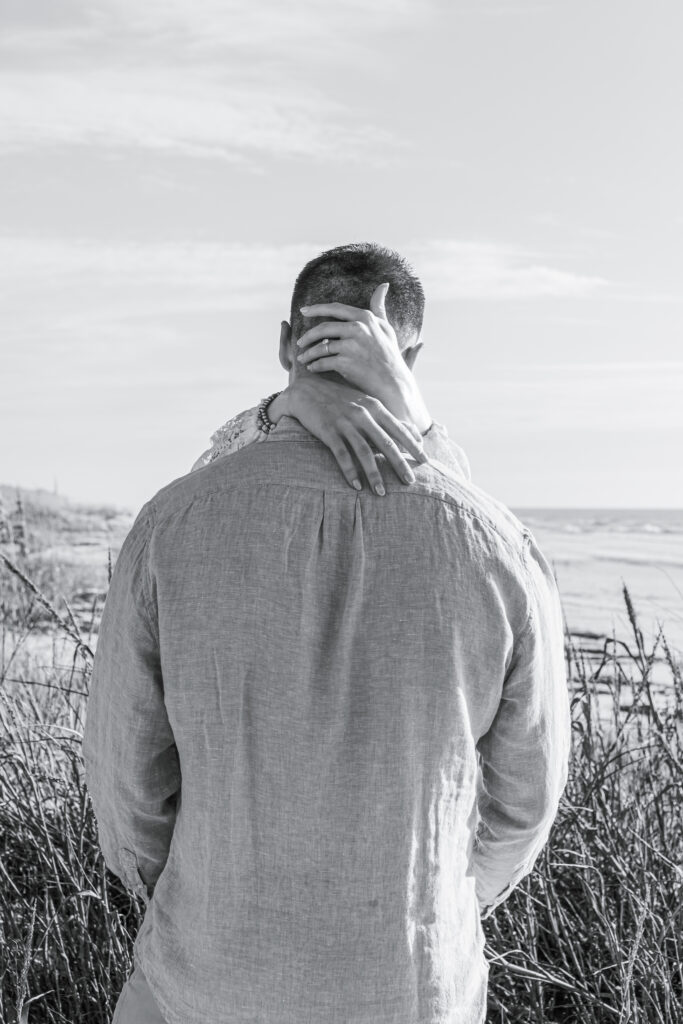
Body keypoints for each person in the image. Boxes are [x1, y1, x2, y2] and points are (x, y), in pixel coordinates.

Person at [83, 242, 572, 1024]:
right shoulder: (497, 545)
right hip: (412, 989)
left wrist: (188, 896)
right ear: (412, 355)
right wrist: (437, 904)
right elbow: (526, 798)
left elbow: (125, 778)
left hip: (205, 976)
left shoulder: (172, 524)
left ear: (284, 343)